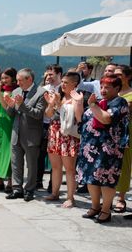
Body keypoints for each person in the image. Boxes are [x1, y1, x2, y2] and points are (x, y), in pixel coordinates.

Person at [76, 76, 129, 223]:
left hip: (109, 149)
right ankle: (95, 206)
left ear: (117, 89)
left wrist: (93, 105)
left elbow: (106, 118)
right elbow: (83, 120)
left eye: (107, 87)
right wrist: (80, 104)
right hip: (91, 147)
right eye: (102, 87)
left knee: (107, 180)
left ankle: (106, 210)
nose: (103, 90)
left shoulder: (120, 102)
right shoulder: (100, 102)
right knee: (91, 178)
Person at [5, 68, 46, 202]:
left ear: (29, 79)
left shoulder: (41, 93)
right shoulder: (16, 91)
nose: (17, 83)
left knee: (31, 164)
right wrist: (10, 106)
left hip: (32, 135)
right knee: (16, 163)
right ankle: (17, 189)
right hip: (16, 133)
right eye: (17, 80)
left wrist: (21, 105)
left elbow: (38, 114)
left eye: (20, 80)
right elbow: (11, 114)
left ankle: (29, 189)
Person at [42, 71, 81, 207]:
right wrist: (52, 103)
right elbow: (48, 114)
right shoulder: (59, 96)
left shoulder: (77, 99)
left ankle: (70, 197)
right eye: (62, 82)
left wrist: (59, 104)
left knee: (69, 169)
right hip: (54, 132)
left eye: (66, 82)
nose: (62, 84)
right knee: (55, 166)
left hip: (68, 135)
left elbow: (78, 118)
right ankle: (55, 192)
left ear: (74, 84)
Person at [37, 64, 63, 190]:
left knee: (56, 157)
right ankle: (38, 181)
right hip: (44, 123)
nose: (48, 77)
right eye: (47, 74)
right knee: (40, 154)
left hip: (59, 125)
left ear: (59, 75)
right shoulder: (43, 89)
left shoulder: (64, 89)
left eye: (51, 74)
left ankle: (53, 184)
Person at [114, 65, 132, 213]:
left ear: (128, 77)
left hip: (126, 133)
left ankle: (121, 198)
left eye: (119, 75)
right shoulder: (111, 92)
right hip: (109, 134)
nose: (116, 77)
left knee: (124, 165)